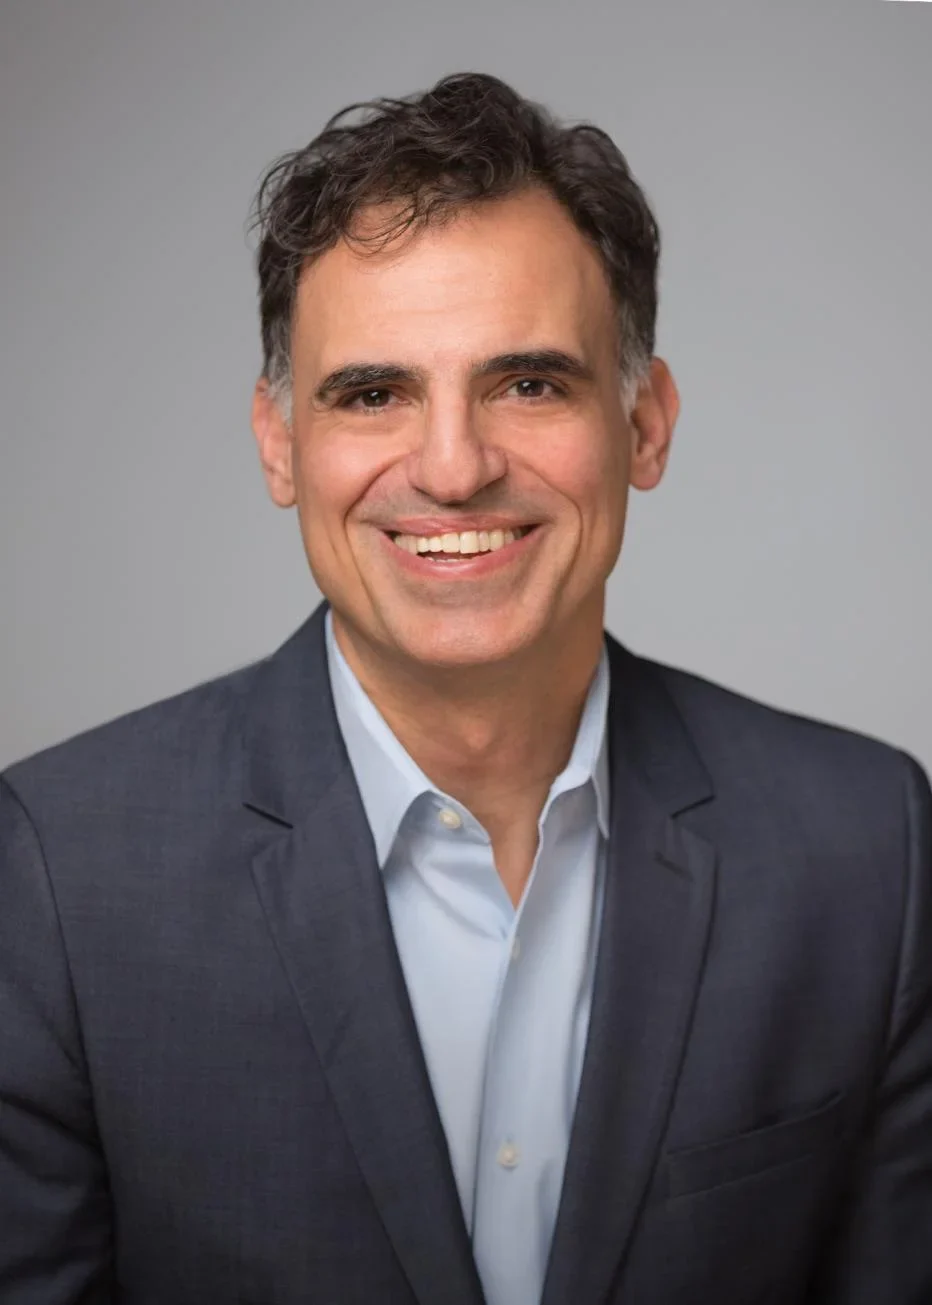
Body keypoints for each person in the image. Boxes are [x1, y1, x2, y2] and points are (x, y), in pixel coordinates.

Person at [1, 70, 930, 1305]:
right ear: (281, 443)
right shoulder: (60, 878)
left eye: (528, 383)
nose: (451, 469)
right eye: (373, 393)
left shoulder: (868, 848)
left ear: (643, 425)